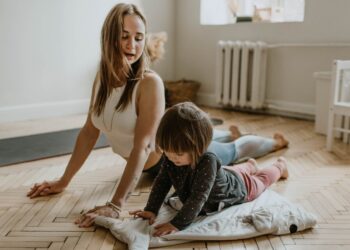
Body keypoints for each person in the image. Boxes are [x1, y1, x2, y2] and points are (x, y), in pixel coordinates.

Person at [26, 3, 288, 228]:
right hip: (159, 161)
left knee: (232, 150)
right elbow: (88, 132)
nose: (132, 45)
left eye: (139, 37)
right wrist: (63, 180)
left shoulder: (149, 83)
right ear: (109, 37)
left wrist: (116, 205)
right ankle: (225, 134)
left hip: (180, 159)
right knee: (220, 142)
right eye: (124, 36)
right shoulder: (102, 80)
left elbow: (142, 147)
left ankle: (273, 144)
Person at [130, 102, 289, 236]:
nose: (172, 158)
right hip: (225, 174)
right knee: (232, 171)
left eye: (178, 153)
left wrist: (177, 224)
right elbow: (162, 181)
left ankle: (280, 167)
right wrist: (151, 209)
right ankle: (250, 165)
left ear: (199, 147)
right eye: (167, 152)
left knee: (261, 180)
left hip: (239, 187)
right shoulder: (172, 157)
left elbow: (199, 197)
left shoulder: (207, 161)